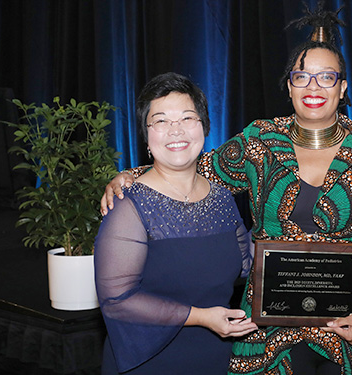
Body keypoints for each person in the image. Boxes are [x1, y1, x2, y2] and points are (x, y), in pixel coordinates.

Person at [101, 4, 352, 374]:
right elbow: (199, 168)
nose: (313, 87)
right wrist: (132, 174)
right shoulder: (261, 141)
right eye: (301, 77)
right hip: (274, 322)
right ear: (288, 86)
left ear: (342, 88)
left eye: (326, 77)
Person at [94, 72, 258, 375]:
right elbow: (118, 301)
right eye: (161, 121)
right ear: (146, 135)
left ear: (205, 127)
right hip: (149, 360)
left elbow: (245, 265)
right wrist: (201, 317)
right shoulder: (128, 206)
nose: (175, 131)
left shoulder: (222, 198)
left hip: (215, 357)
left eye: (187, 118)